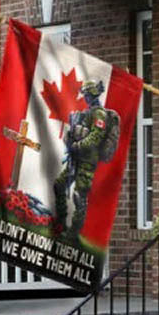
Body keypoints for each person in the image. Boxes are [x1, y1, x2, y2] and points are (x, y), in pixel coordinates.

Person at [53, 80, 119, 241]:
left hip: (88, 160)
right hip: (75, 157)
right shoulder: (85, 113)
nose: (86, 98)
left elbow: (96, 137)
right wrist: (71, 139)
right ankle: (61, 221)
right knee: (59, 185)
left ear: (93, 95)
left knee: (79, 195)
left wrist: (78, 145)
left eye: (88, 95)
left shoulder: (99, 114)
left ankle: (74, 233)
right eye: (85, 95)